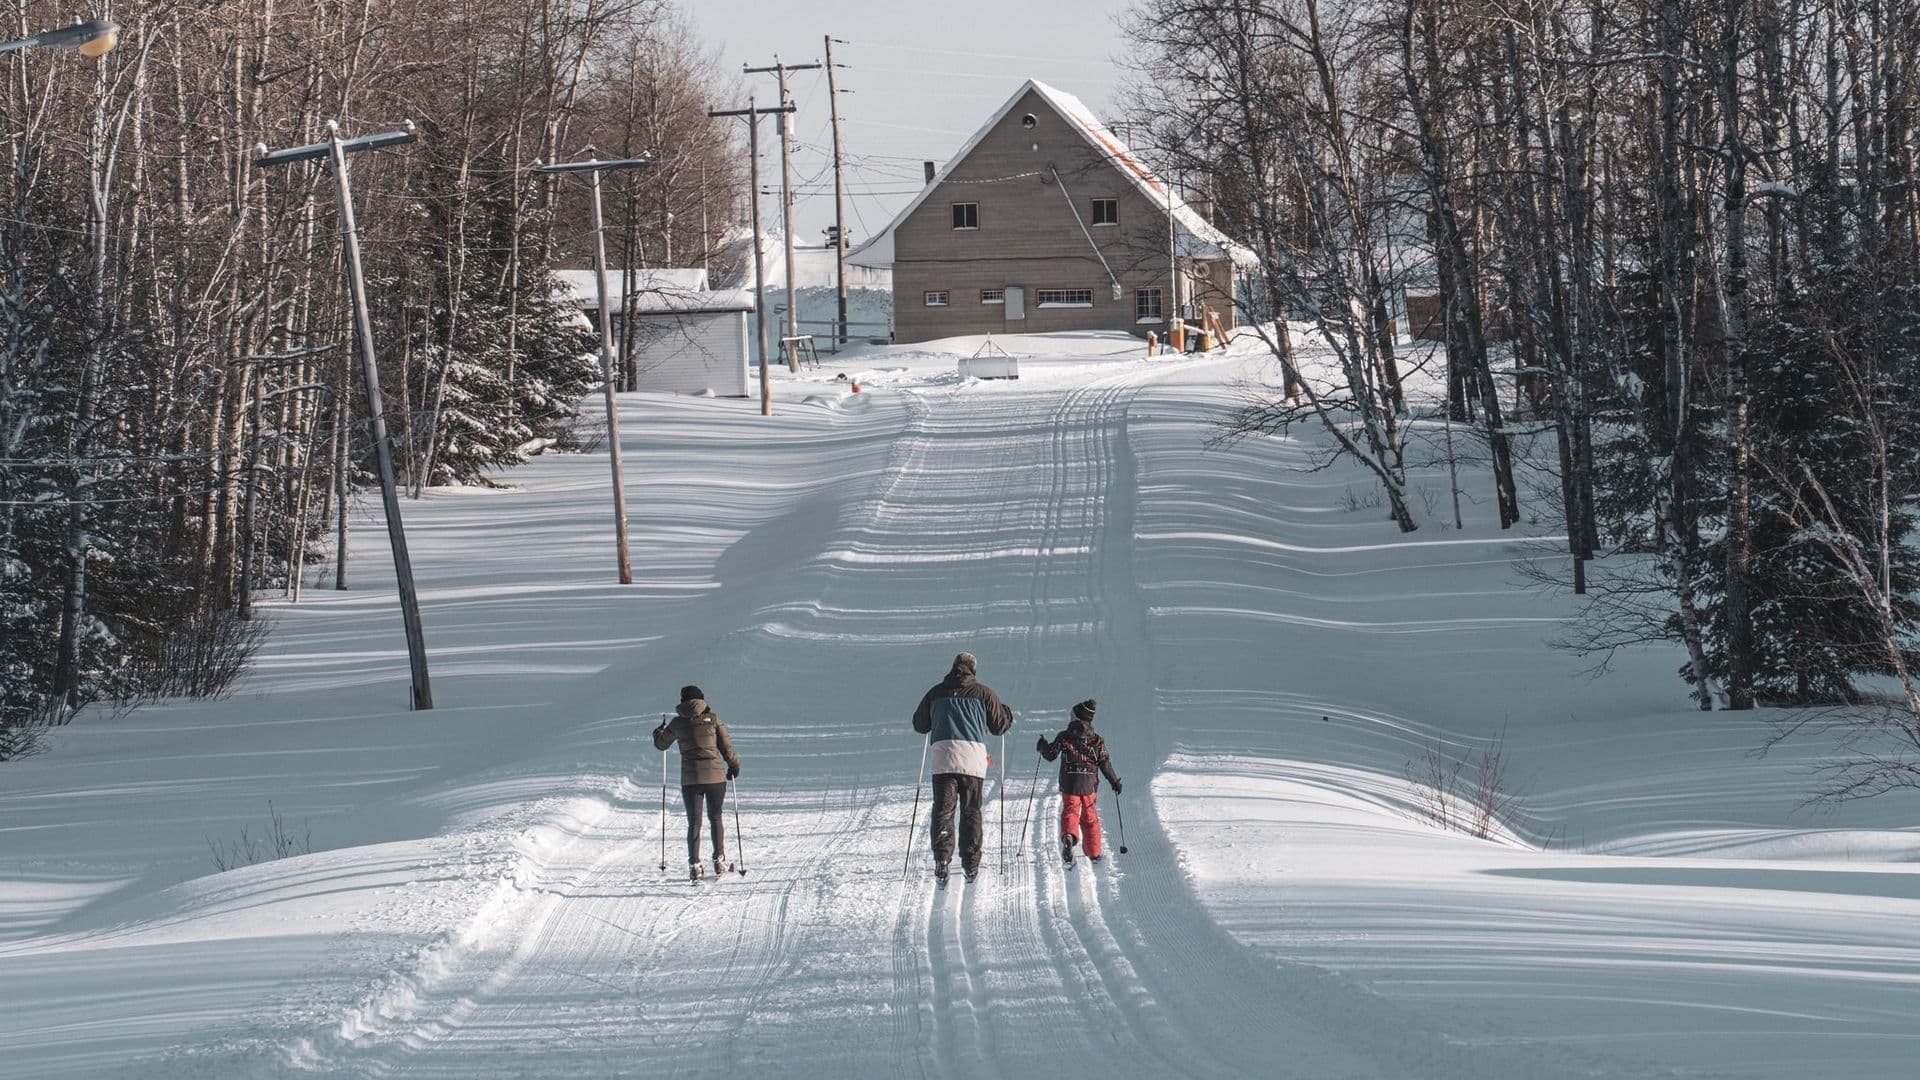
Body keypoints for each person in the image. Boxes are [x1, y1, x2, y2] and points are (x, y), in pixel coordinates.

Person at [911, 652, 1014, 884]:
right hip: (972, 762)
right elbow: (999, 727)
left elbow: (919, 725)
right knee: (971, 812)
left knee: (943, 810)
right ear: (973, 670)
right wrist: (1007, 714)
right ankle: (971, 864)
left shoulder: (935, 692)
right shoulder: (984, 693)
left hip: (943, 761)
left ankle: (942, 859)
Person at [653, 685, 741, 881]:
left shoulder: (677, 723)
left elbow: (661, 745)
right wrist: (734, 766)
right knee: (715, 817)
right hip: (716, 778)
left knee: (694, 822)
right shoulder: (714, 719)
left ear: (683, 701)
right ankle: (719, 861)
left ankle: (695, 865)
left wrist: (658, 732)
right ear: (702, 699)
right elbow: (726, 748)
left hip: (691, 780)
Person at [1037, 699, 1122, 865]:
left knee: (1070, 811)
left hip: (1070, 783)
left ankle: (1068, 836)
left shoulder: (1064, 736)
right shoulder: (1097, 741)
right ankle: (1094, 852)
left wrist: (1042, 746)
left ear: (1075, 718)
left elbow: (1051, 754)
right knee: (1090, 818)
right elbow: (1105, 763)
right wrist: (1114, 781)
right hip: (1089, 785)